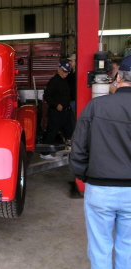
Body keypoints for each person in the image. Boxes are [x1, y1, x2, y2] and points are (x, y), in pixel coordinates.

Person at [69, 55, 131, 269]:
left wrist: (87, 176)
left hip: (100, 188)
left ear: (119, 77)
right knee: (128, 246)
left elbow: (78, 150)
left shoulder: (96, 107)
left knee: (100, 246)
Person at [40, 60, 73, 160]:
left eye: (67, 72)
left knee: (69, 132)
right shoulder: (54, 81)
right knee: (51, 132)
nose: (65, 73)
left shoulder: (64, 80)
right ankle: (44, 153)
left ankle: (69, 151)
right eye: (64, 71)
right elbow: (47, 96)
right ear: (58, 69)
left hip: (66, 112)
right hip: (56, 112)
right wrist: (55, 105)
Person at [67, 54, 76, 118]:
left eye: (71, 61)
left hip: (74, 100)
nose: (69, 62)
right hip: (71, 99)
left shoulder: (78, 73)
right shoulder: (71, 73)